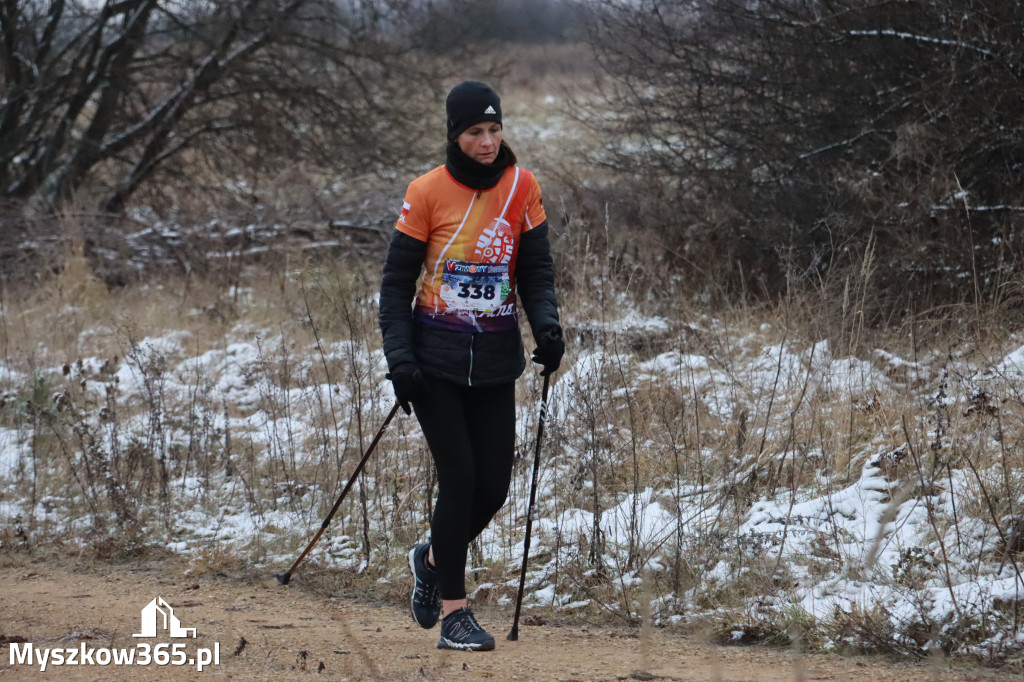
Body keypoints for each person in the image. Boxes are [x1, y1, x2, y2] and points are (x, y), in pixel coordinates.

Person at [378, 80, 564, 651]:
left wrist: (549, 327)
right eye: (474, 132)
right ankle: (455, 613)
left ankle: (431, 558)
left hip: (495, 361)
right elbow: (394, 287)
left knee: (493, 489)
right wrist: (400, 359)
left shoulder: (522, 186)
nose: (487, 142)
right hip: (433, 363)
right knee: (459, 481)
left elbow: (535, 272)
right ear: (456, 135)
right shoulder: (427, 191)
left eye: (494, 129)